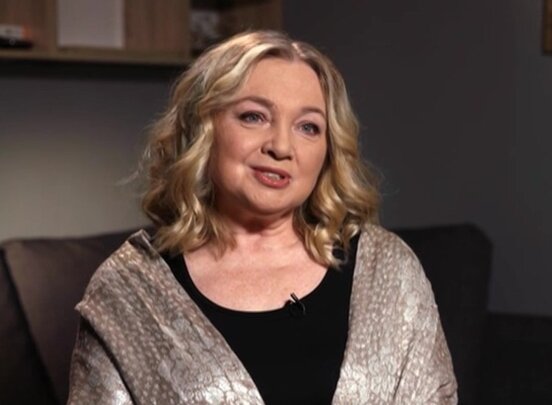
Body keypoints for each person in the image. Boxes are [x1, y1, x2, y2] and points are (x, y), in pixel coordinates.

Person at [67, 30, 457, 404]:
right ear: (203, 128)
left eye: (308, 127)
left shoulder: (388, 268)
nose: (282, 146)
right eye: (254, 117)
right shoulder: (128, 291)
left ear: (328, 150)